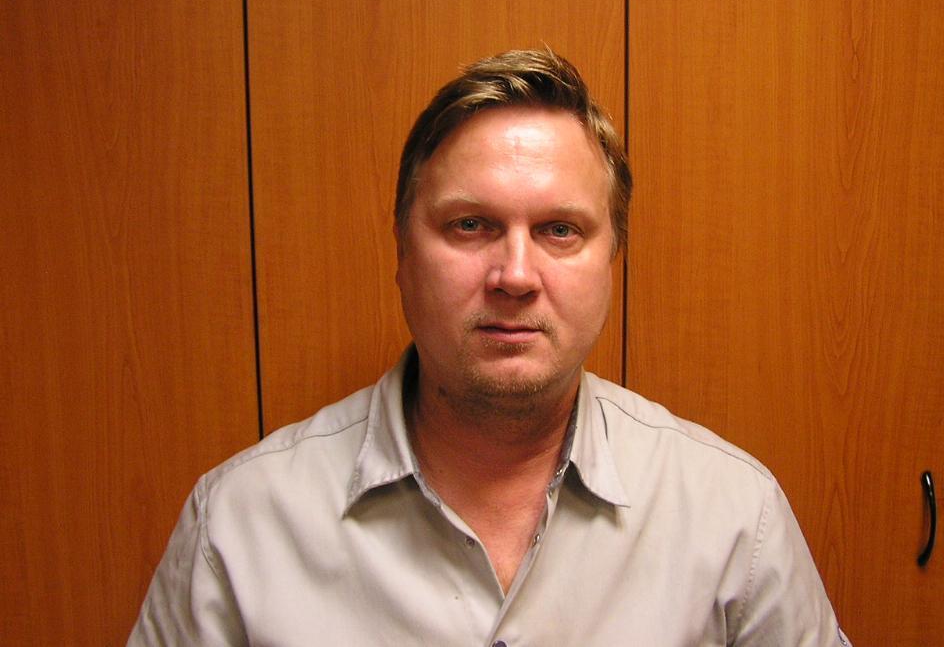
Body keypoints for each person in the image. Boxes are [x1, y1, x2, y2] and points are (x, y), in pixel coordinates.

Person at [129, 49, 850, 645]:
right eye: (470, 225)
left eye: (560, 230)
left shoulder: (734, 521)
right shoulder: (239, 527)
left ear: (611, 261)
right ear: (403, 254)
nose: (515, 276)